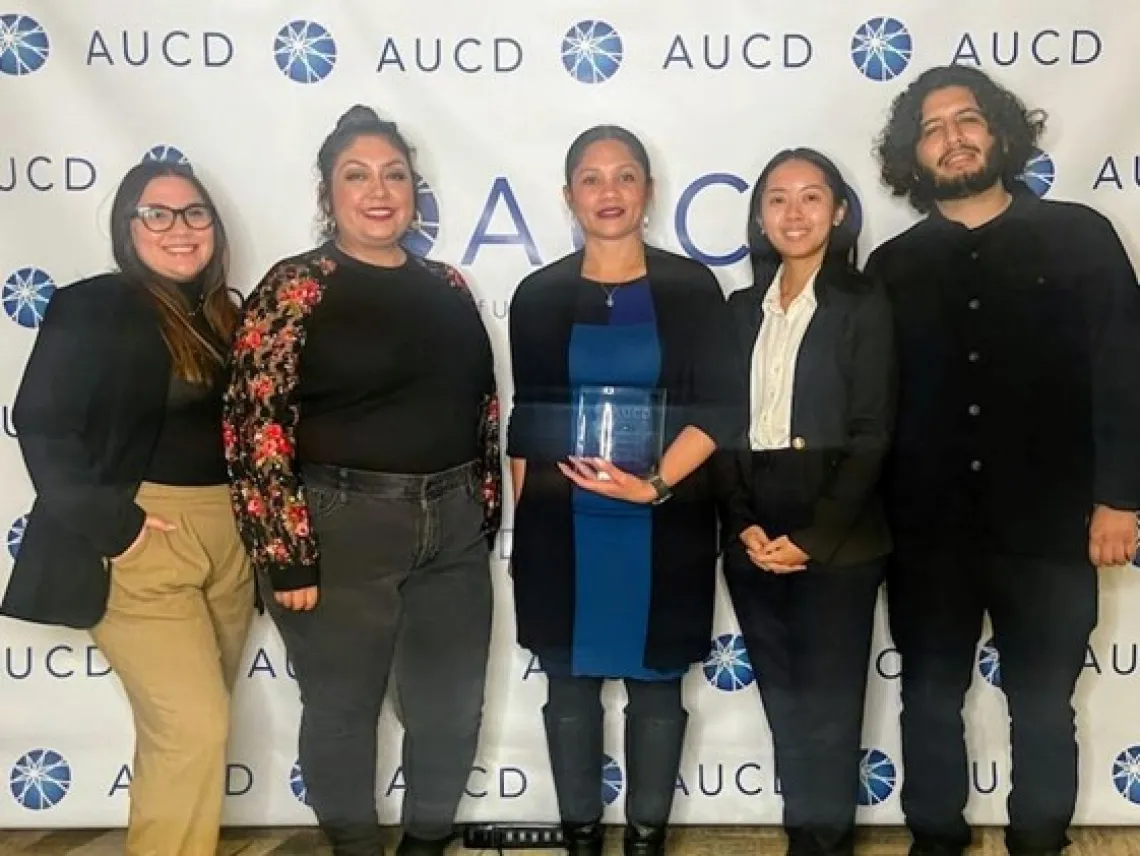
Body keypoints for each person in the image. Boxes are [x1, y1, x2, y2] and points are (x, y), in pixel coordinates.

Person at [865, 65, 1140, 856]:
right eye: (931, 129)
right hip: (925, 535)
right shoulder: (892, 266)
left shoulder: (1081, 234)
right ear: (912, 157)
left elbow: (1124, 371)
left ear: (999, 132)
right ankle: (936, 841)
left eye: (967, 120)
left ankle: (1040, 844)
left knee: (1044, 705)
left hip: (1053, 527)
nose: (952, 138)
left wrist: (1120, 498)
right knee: (926, 701)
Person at [223, 105, 501, 856]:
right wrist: (285, 550)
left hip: (451, 527)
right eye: (357, 175)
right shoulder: (295, 286)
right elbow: (256, 424)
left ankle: (424, 845)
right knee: (343, 709)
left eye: (394, 175)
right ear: (327, 193)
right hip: (340, 524)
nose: (378, 191)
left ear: (414, 190)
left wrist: (481, 520)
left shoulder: (448, 285)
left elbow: (481, 409)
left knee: (451, 711)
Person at [1, 160, 252, 855]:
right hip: (146, 536)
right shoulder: (94, 306)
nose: (180, 228)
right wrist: (122, 529)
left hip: (232, 542)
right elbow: (43, 423)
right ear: (127, 227)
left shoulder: (231, 317)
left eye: (194, 213)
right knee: (195, 727)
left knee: (185, 740)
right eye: (158, 214)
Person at [506, 125, 743, 856]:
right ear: (569, 194)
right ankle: (580, 837)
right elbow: (527, 419)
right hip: (562, 523)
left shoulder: (691, 288)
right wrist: (526, 529)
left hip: (661, 517)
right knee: (570, 688)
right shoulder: (538, 294)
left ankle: (645, 840)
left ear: (647, 190)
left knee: (657, 686)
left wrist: (655, 485)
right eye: (591, 178)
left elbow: (720, 408)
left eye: (625, 176)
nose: (609, 193)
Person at [714, 148, 894, 856]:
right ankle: (804, 840)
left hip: (839, 532)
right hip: (754, 521)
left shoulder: (864, 304)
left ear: (839, 211)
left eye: (810, 197)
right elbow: (724, 425)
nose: (794, 212)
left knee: (828, 713)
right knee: (785, 710)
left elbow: (873, 433)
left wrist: (815, 537)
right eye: (777, 199)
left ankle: (829, 844)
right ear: (759, 216)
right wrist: (743, 524)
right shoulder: (738, 310)